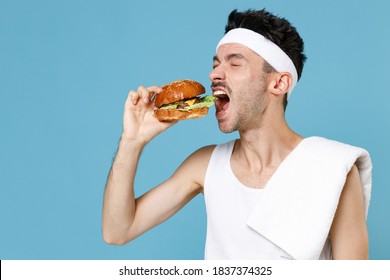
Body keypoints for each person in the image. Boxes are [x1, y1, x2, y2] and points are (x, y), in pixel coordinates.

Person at [102, 9, 372, 260]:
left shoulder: (334, 169)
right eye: (216, 63)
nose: (214, 74)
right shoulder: (205, 166)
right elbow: (118, 231)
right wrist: (132, 141)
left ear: (279, 82)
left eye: (234, 64)